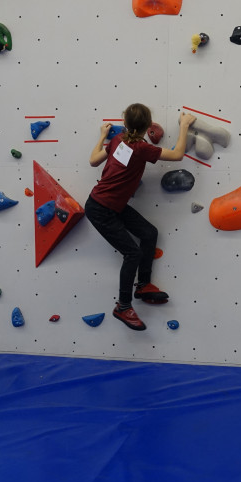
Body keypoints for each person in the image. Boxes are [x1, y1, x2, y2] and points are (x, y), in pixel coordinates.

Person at [85, 105, 196, 331]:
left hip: (110, 206)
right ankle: (123, 306)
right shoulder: (141, 148)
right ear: (147, 127)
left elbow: (93, 160)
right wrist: (184, 126)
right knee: (132, 252)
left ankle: (143, 285)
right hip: (99, 208)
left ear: (124, 123)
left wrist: (102, 137)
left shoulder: (118, 141)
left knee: (149, 233)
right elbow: (177, 155)